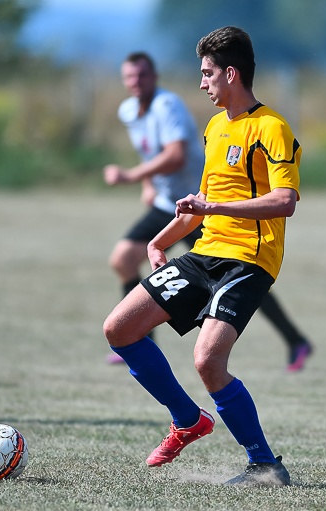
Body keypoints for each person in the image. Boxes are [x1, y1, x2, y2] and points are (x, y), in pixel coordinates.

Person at [103, 27, 299, 487]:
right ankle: (187, 419)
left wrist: (213, 209)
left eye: (208, 73)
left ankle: (265, 464)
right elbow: (201, 203)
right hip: (204, 253)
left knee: (208, 360)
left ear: (231, 74)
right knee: (119, 328)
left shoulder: (271, 127)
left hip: (249, 260)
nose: (202, 82)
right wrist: (159, 241)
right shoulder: (214, 128)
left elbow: (285, 200)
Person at [103, 52, 312, 372]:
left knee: (238, 281)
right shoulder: (132, 111)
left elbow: (175, 155)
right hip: (178, 206)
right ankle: (139, 336)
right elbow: (150, 151)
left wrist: (132, 176)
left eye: (141, 75)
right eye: (129, 76)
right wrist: (150, 190)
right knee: (124, 261)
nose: (135, 82)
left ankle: (294, 339)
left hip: (210, 213)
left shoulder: (168, 106)